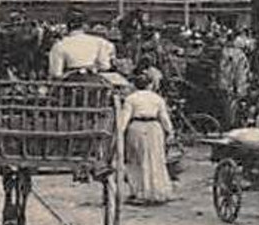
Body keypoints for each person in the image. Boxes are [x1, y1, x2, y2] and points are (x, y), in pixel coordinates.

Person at [121, 70, 177, 205]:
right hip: (154, 128)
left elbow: (124, 118)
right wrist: (170, 131)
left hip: (137, 127)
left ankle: (139, 192)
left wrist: (119, 132)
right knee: (156, 158)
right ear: (150, 85)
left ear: (135, 85)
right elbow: (164, 117)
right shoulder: (157, 99)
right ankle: (157, 191)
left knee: (136, 160)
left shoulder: (131, 99)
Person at [48, 11, 116, 79]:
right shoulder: (100, 42)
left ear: (67, 26)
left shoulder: (59, 45)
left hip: (71, 84)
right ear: (84, 25)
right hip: (94, 83)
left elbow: (56, 72)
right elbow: (105, 66)